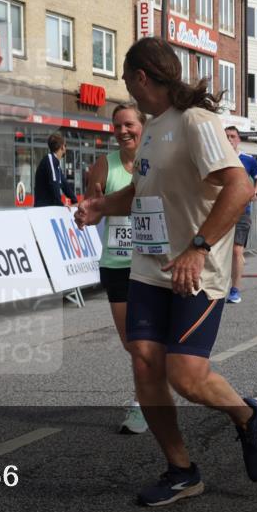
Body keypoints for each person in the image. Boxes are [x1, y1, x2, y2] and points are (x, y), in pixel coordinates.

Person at [75, 37, 257, 507]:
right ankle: (181, 470)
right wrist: (100, 206)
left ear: (142, 76)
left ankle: (248, 418)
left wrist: (198, 246)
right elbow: (143, 194)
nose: (125, 86)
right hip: (149, 268)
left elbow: (240, 186)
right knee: (145, 362)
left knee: (186, 376)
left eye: (127, 79)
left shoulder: (195, 122)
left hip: (195, 271)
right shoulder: (151, 128)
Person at [86, 103, 148, 434]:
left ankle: (141, 405)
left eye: (128, 125)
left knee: (142, 343)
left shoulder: (156, 163)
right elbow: (92, 210)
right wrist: (86, 213)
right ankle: (152, 389)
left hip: (151, 264)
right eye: (116, 126)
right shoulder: (103, 166)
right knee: (131, 343)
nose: (122, 131)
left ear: (143, 126)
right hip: (117, 264)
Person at [223, 127, 257, 304]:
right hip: (218, 212)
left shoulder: (248, 160)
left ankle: (235, 290)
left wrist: (255, 192)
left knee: (236, 250)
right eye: (226, 136)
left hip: (241, 211)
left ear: (238, 140)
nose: (229, 139)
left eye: (232, 136)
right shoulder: (215, 158)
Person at [33, 132, 77, 207]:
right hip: (44, 209)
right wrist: (61, 206)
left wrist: (75, 201)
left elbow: (64, 184)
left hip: (50, 208)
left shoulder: (56, 164)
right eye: (65, 146)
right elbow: (54, 184)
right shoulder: (50, 159)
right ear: (62, 147)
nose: (66, 148)